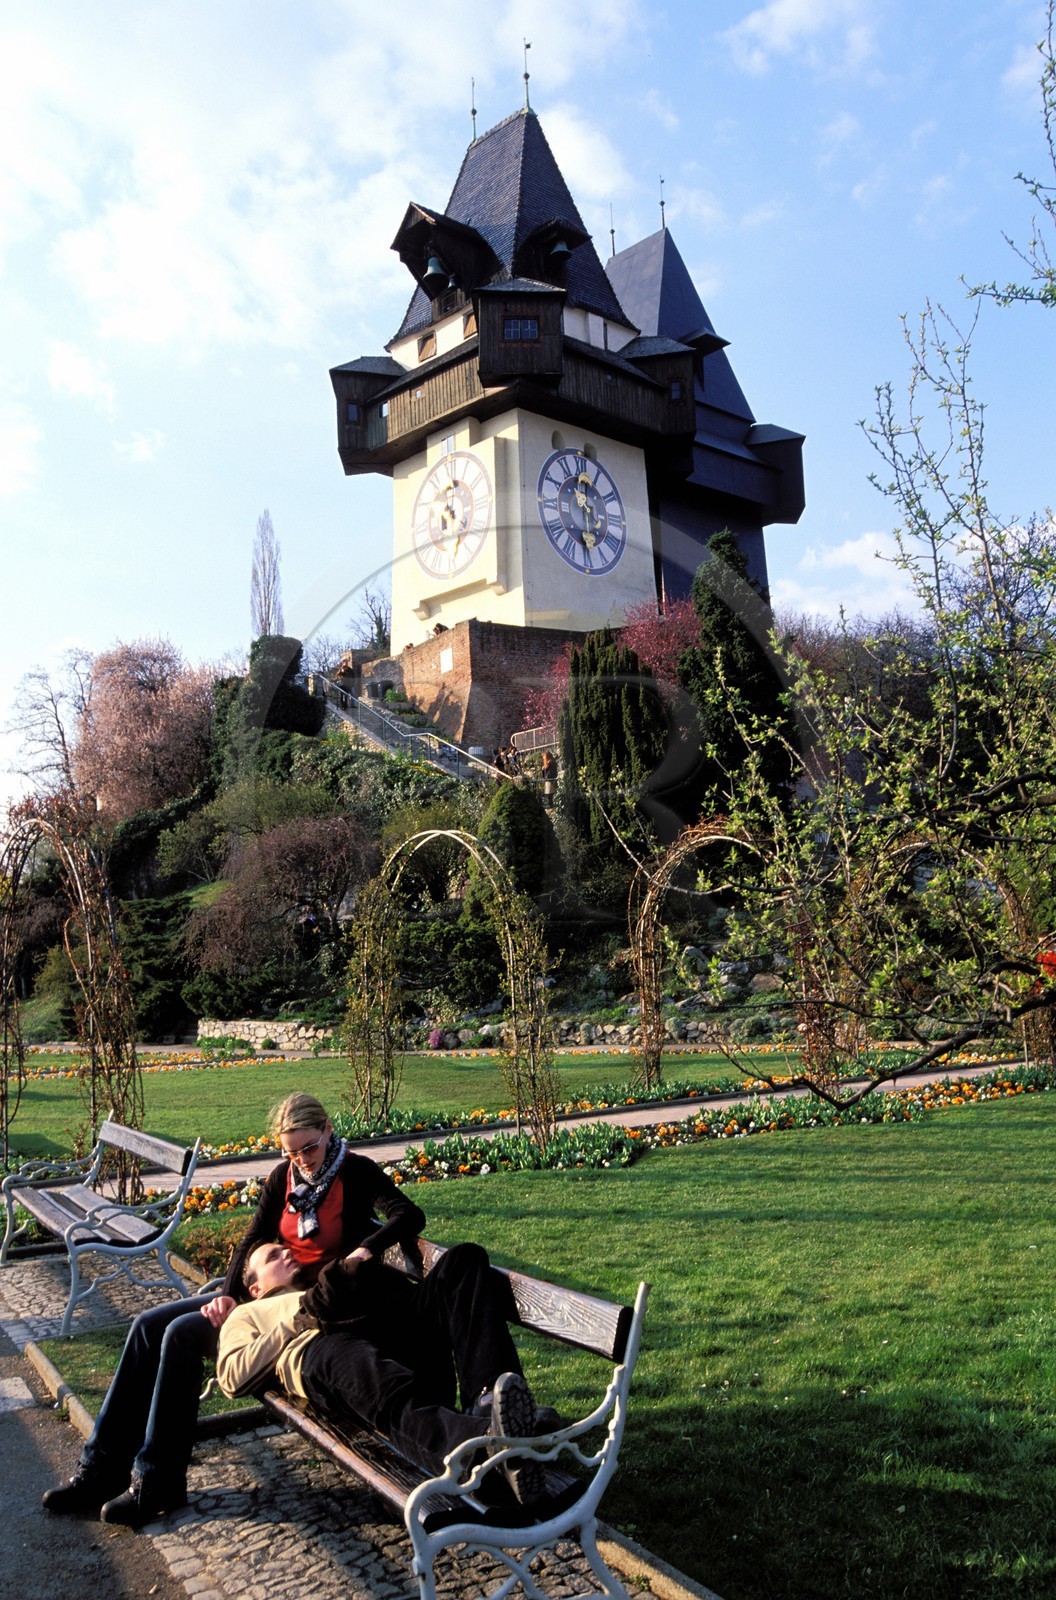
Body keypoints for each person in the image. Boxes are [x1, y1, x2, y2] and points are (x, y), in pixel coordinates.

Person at [42, 1092, 424, 1527]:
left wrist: (362, 1252)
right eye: (290, 1152)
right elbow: (253, 1238)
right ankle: (98, 1471)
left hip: (308, 1305)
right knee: (148, 1325)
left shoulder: (356, 1172)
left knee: (182, 1335)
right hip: (262, 1295)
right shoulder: (284, 1177)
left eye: (309, 1148)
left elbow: (408, 1215)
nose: (302, 1160)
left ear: (328, 1131)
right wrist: (227, 1293)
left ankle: (156, 1482)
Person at [217, 1238, 549, 1508]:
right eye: (273, 1256)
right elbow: (232, 1377)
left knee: (464, 1260)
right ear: (255, 1288)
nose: (286, 1252)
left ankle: (493, 1404)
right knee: (383, 1382)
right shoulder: (247, 1314)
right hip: (320, 1350)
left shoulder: (321, 1282)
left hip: (383, 1334)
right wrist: (301, 1317)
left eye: (284, 1248)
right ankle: (478, 1455)